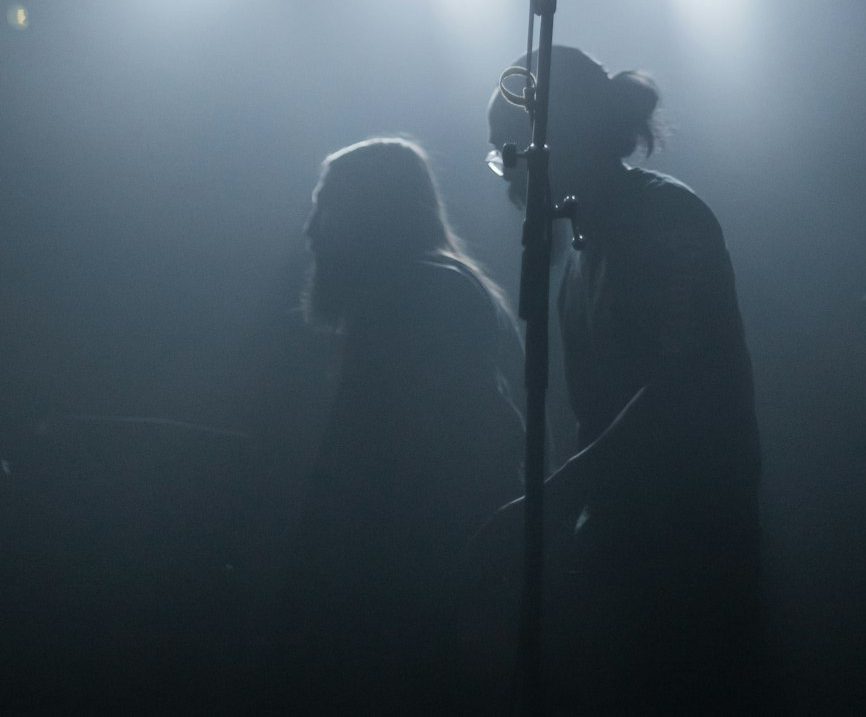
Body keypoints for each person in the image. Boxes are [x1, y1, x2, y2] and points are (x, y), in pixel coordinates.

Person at [486, 46, 763, 715]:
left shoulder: (665, 219)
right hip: (631, 546)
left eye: (509, 153)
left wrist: (558, 499)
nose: (508, 178)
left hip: (692, 544)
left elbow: (676, 388)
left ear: (552, 142)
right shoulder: (583, 255)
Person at [267, 137, 523, 715]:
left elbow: (380, 460)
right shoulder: (431, 287)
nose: (311, 229)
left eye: (325, 204)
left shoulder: (415, 292)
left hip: (408, 588)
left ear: (371, 210)